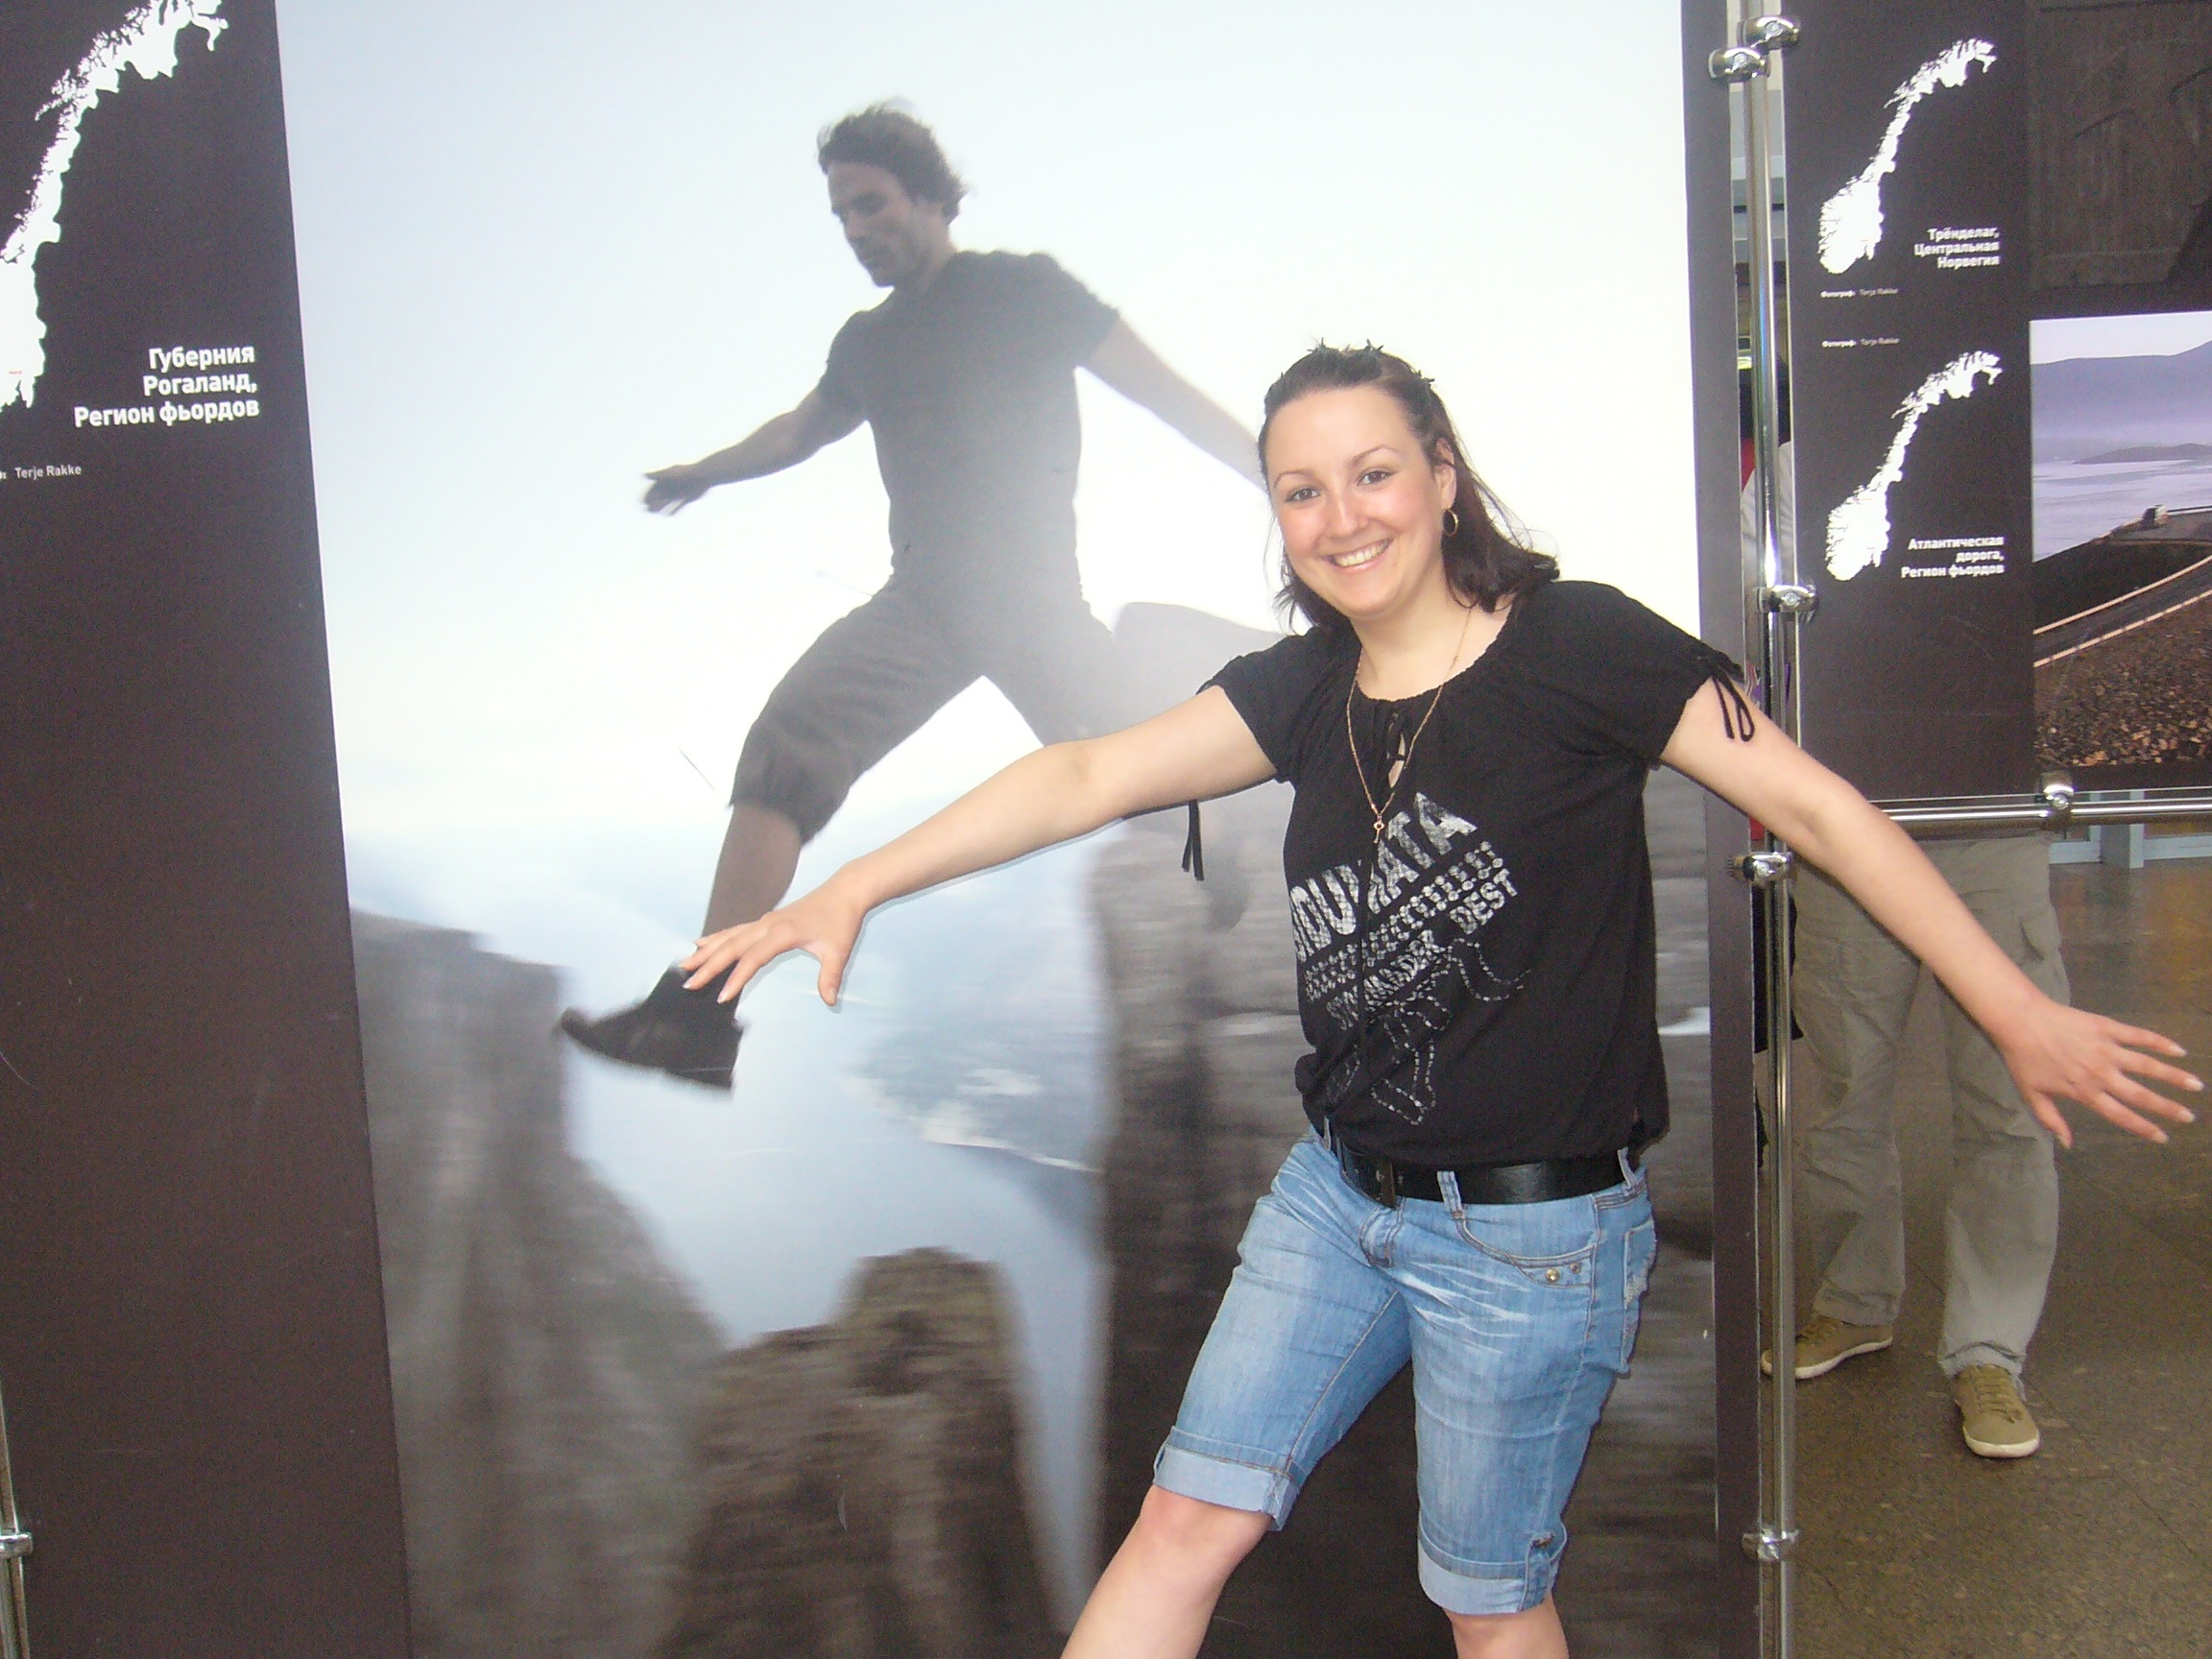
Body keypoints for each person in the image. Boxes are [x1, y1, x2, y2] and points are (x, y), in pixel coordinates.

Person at [679, 346, 2198, 1658]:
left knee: (1489, 1608)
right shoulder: (1300, 691)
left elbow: (1816, 808)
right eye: (1301, 491)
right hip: (1336, 1199)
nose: (1342, 518)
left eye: (1373, 474)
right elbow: (1083, 774)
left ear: (1444, 478)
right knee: (1184, 1523)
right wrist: (854, 882)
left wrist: (2012, 1009)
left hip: (1533, 1240)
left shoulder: (1583, 644)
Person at [558, 104, 1259, 1087]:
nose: (855, 229)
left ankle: (1219, 842)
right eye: (841, 214)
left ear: (929, 195)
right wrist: (702, 472)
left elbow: (1163, 392)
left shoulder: (1024, 290)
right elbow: (797, 431)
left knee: (1138, 782)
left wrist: (1289, 479)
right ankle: (695, 1018)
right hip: (924, 602)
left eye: (871, 204)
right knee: (791, 739)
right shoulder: (866, 343)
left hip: (1031, 599)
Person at [1743, 447, 2070, 1458]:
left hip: (1991, 815)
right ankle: (1855, 1301)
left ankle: (1988, 1351)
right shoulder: (1796, 466)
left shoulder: (2009, 439)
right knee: (1842, 1094)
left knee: (2008, 1103)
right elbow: (1751, 620)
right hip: (1851, 818)